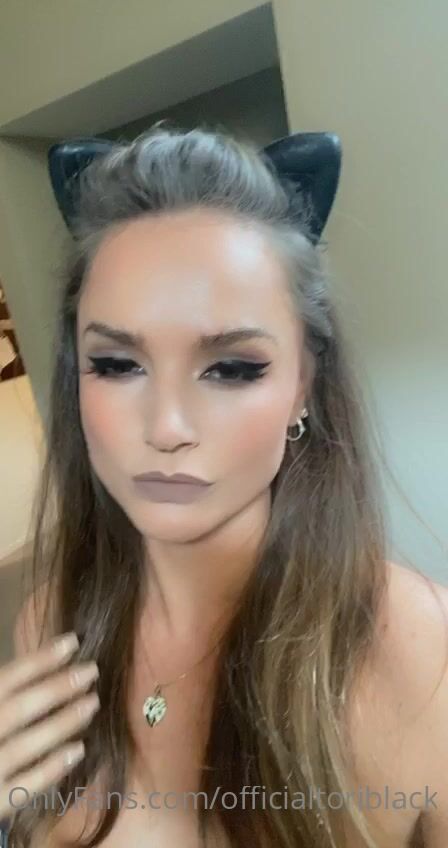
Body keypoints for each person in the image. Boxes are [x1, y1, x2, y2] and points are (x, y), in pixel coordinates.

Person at [1, 124, 447, 848]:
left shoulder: (425, 656)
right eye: (116, 364)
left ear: (303, 385)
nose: (167, 426)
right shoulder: (54, 623)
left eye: (232, 368)